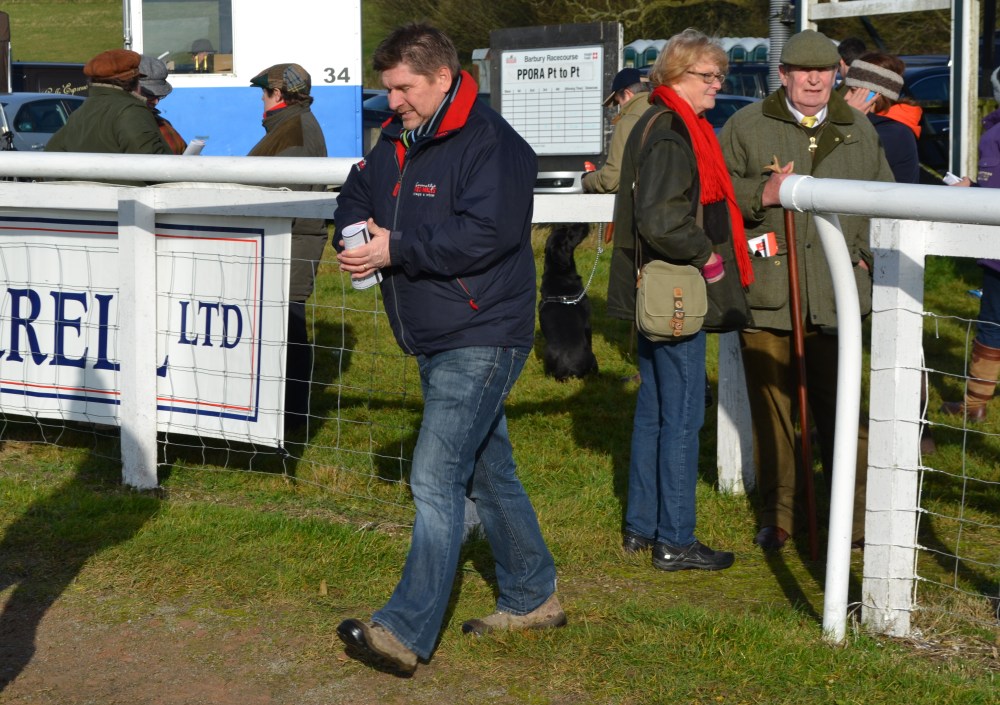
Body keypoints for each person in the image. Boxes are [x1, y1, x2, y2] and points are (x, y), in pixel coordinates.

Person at [333, 24, 563, 674]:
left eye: (402, 88)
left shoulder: (495, 145)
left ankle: (403, 633)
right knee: (491, 473)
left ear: (440, 76)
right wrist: (354, 237)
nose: (392, 101)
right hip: (434, 333)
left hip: (482, 330)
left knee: (435, 477)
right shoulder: (398, 136)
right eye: (388, 89)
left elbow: (486, 236)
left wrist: (395, 246)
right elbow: (356, 192)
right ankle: (533, 595)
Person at [719, 29, 894, 552]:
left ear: (837, 75)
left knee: (844, 410)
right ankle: (781, 515)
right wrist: (762, 193)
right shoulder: (747, 125)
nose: (815, 79)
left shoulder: (858, 129)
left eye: (824, 70)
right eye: (803, 70)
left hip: (838, 297)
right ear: (785, 75)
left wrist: (864, 252)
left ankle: (855, 519)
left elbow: (884, 197)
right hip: (770, 291)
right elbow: (719, 193)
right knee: (773, 410)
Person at [606, 29, 753, 571]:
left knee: (655, 410)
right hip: (676, 289)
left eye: (720, 76)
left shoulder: (651, 119)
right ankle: (676, 539)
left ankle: (642, 528)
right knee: (684, 414)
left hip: (650, 284)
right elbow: (663, 217)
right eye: (707, 76)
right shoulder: (674, 131)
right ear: (674, 76)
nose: (717, 85)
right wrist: (709, 258)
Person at [247, 63, 329, 430]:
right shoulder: (291, 126)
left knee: (290, 328)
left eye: (264, 93)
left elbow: (274, 198)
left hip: (291, 242)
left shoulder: (292, 133)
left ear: (277, 95)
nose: (261, 101)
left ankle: (292, 417)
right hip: (290, 239)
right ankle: (286, 413)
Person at [940, 67, 1000, 422]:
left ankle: (975, 404)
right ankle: (974, 405)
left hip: (997, 246)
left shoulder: (994, 132)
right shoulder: (993, 129)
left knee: (992, 322)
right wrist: (975, 190)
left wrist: (974, 192)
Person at [46, 49, 169, 157]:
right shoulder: (131, 111)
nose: (156, 100)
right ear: (135, 82)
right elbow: (154, 164)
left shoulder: (80, 113)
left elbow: (50, 154)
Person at [844, 53, 921, 184]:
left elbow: (846, 165)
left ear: (874, 95)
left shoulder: (893, 133)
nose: (845, 97)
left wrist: (852, 119)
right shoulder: (885, 126)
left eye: (852, 90)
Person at [582, 67, 649, 194]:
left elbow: (611, 181)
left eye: (618, 101)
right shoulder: (663, 111)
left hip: (643, 206)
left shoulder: (628, 122)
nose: (620, 108)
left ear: (628, 93)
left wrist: (587, 179)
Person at [138, 55, 187, 155]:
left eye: (160, 96)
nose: (156, 102)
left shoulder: (163, 123)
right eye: (149, 95)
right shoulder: (124, 122)